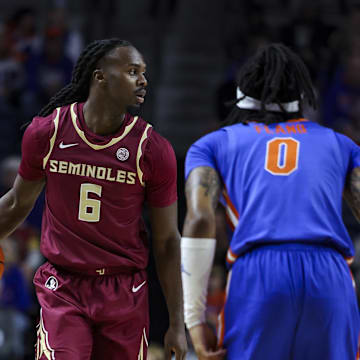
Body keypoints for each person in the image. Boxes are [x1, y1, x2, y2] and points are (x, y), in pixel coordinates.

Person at [0, 38, 187, 360]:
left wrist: (176, 323)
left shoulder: (153, 149)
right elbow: (17, 203)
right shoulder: (48, 132)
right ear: (100, 77)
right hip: (64, 285)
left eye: (143, 72)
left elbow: (168, 241)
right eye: (132, 71)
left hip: (124, 290)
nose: (143, 80)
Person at [181, 43, 360, 360]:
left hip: (259, 274)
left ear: (241, 95)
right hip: (330, 274)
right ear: (302, 98)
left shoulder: (212, 145)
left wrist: (194, 318)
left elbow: (200, 220)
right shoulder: (341, 143)